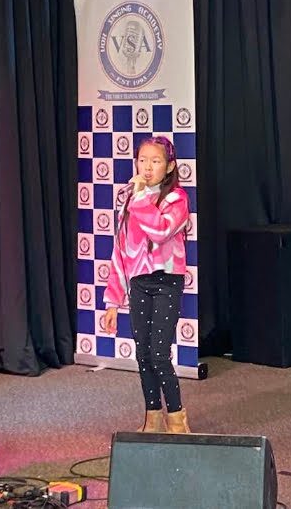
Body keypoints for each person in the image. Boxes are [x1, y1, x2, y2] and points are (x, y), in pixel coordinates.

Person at [104, 136, 193, 434]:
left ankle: (177, 420)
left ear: (169, 166)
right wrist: (113, 301)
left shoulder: (176, 199)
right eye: (142, 160)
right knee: (142, 355)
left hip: (167, 282)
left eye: (155, 161)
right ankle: (153, 417)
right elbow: (121, 250)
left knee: (158, 354)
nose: (147, 167)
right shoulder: (132, 199)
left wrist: (140, 197)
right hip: (139, 283)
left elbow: (160, 230)